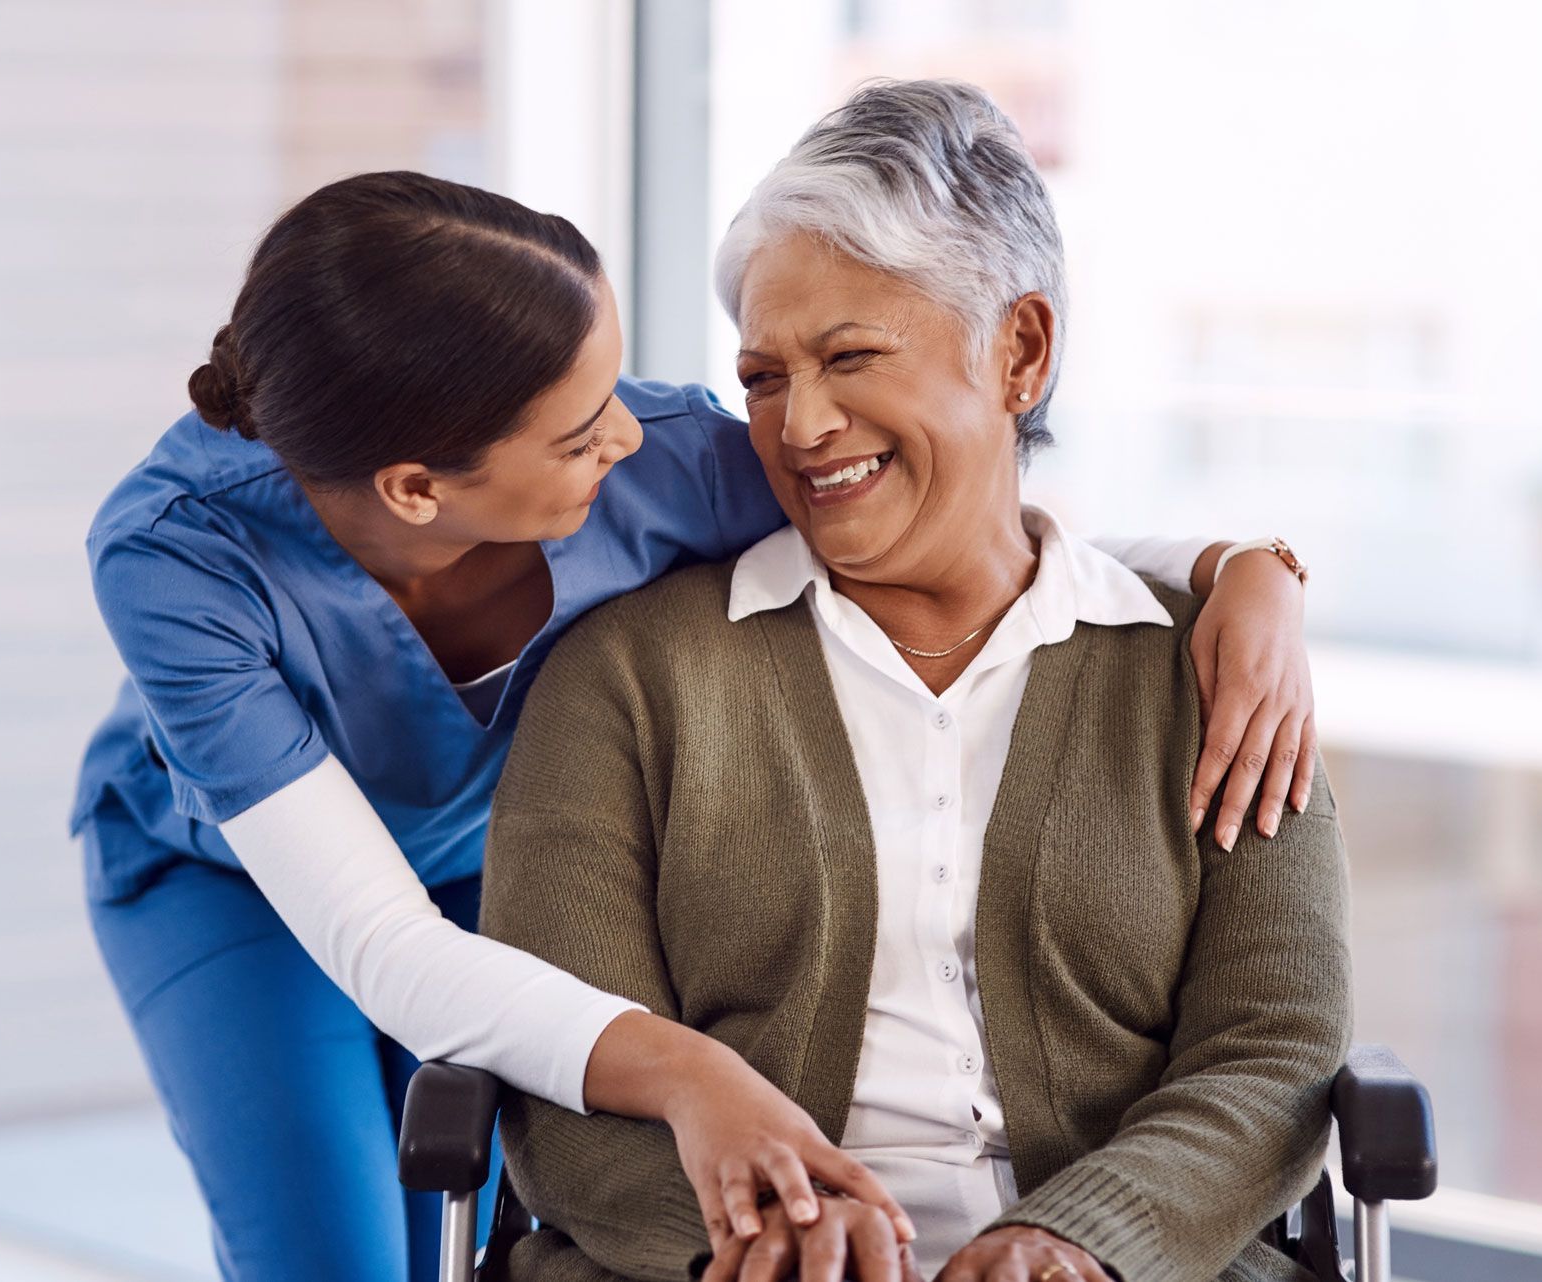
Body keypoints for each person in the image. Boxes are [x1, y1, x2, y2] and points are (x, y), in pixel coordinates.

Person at [73, 166, 1321, 1281]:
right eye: (576, 430)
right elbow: (383, 947)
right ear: (417, 488)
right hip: (239, 886)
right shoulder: (177, 556)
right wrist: (697, 1075)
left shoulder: (663, 459)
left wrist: (1237, 566)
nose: (629, 430)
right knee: (335, 1258)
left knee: (454, 1217)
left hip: (498, 864)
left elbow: (972, 527)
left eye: (612, 387)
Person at [479, 80, 1351, 1282]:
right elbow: (562, 1065)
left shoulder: (1216, 668)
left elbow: (1274, 1048)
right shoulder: (627, 677)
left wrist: (1080, 1239)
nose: (800, 425)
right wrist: (763, 1238)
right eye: (767, 376)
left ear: (1021, 352)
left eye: (850, 357)